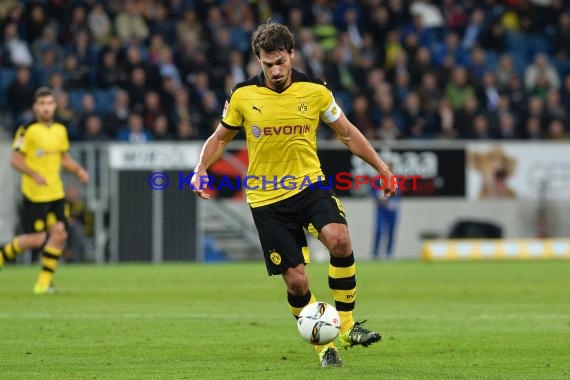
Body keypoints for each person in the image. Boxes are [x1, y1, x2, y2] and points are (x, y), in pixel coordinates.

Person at [190, 22, 397, 367]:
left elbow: (346, 133)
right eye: (267, 63)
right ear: (258, 59)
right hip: (267, 200)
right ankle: (323, 347)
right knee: (297, 280)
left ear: (291, 55)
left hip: (310, 187)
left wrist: (382, 168)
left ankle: (346, 327)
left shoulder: (315, 91)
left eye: (280, 62)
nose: (275, 70)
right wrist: (201, 169)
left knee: (340, 240)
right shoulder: (243, 96)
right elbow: (220, 138)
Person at [0, 87, 89, 294]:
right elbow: (15, 159)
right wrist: (33, 173)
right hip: (35, 194)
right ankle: (3, 254)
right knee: (37, 239)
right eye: (42, 104)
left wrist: (79, 171)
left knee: (60, 234)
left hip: (56, 193)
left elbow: (63, 158)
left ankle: (43, 283)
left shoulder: (60, 130)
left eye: (49, 103)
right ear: (35, 107)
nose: (46, 108)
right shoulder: (27, 130)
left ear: (55, 106)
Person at [371, 164, 400, 259]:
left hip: (392, 210)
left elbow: (398, 193)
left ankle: (389, 253)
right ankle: (375, 253)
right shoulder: (376, 180)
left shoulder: (396, 180)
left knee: (391, 231)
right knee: (379, 230)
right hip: (381, 209)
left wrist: (393, 202)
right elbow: (374, 193)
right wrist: (379, 197)